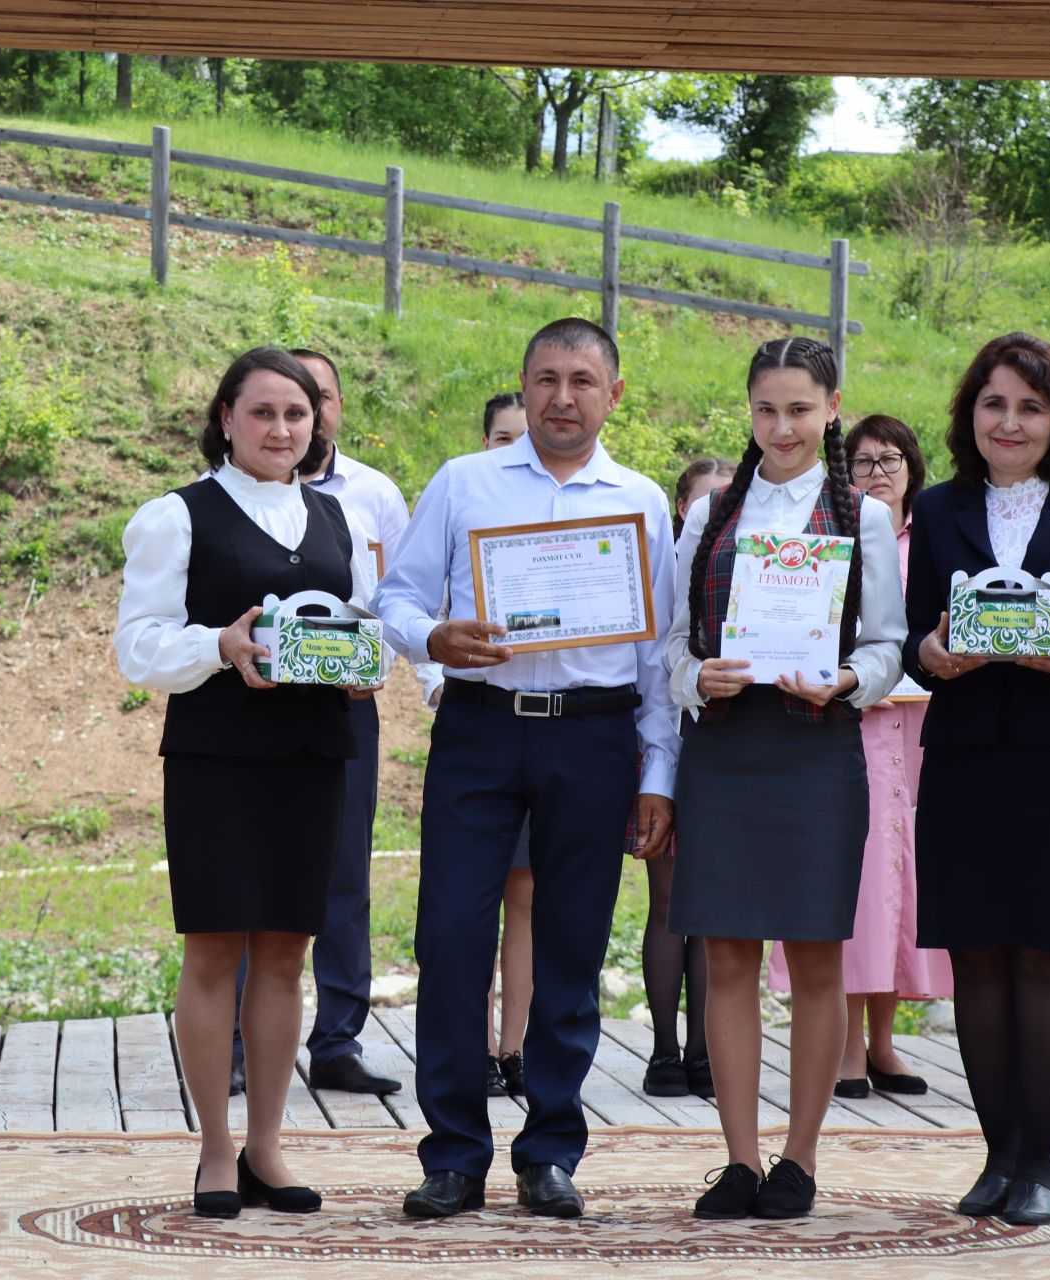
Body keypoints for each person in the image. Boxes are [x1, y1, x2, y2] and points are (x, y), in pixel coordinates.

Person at [376, 317, 678, 1221]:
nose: (561, 398)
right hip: (481, 730)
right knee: (452, 939)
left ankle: (550, 1149)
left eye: (582, 381)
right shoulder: (467, 482)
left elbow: (659, 650)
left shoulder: (641, 500)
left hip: (592, 738)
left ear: (612, 394)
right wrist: (431, 637)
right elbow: (396, 594)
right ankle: (454, 1154)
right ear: (524, 382)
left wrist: (657, 770)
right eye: (546, 379)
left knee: (573, 947)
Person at [114, 346, 378, 1219]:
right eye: (262, 413)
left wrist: (360, 666)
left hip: (313, 755)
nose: (281, 429)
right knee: (214, 949)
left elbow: (353, 626)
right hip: (217, 758)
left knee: (285, 954)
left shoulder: (338, 521)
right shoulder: (177, 516)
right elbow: (138, 647)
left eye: (296, 415)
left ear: (317, 424)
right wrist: (218, 647)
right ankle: (216, 1149)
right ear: (225, 418)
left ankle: (268, 1143)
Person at [904, 332, 1050, 1228]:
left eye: (1030, 406)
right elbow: (914, 638)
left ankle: (1040, 1165)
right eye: (994, 403)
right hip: (964, 757)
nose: (1010, 421)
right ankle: (997, 1157)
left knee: (1047, 953)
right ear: (972, 413)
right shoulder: (936, 508)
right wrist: (928, 654)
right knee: (977, 959)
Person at [667, 337, 907, 1220]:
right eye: (766, 409)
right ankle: (738, 1158)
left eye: (800, 409)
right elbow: (671, 649)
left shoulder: (864, 518)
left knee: (815, 956)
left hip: (816, 748)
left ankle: (800, 1159)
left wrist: (847, 680)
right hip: (727, 748)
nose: (782, 427)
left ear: (832, 407)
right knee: (725, 955)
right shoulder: (708, 516)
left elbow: (886, 644)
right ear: (749, 411)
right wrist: (699, 678)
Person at [767, 415, 952, 1100]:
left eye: (891, 458)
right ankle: (845, 1047)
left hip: (922, 733)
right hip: (853, 724)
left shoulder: (932, 541)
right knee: (861, 885)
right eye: (863, 460)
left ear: (914, 467)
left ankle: (883, 1043)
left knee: (907, 889)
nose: (877, 472)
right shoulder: (829, 539)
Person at [290, 345, 415, 1099]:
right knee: (255, 876)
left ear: (335, 408)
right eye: (286, 400)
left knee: (345, 874)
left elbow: (403, 598)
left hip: (348, 707)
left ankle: (336, 1039)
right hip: (253, 710)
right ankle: (239, 1041)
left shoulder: (375, 494)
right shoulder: (220, 496)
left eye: (319, 398)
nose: (306, 415)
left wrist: (414, 675)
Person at [640, 457, 735, 1100]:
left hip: (726, 746)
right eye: (704, 501)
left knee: (712, 909)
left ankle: (704, 1050)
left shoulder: (744, 564)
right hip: (667, 742)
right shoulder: (665, 565)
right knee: (668, 902)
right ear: (684, 508)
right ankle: (664, 1049)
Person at [482, 392, 535, 1101]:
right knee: (467, 904)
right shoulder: (466, 499)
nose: (513, 447)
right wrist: (439, 679)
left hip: (559, 731)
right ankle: (471, 1047)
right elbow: (417, 606)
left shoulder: (579, 514)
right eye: (502, 435)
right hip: (480, 726)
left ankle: (514, 1045)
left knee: (527, 900)